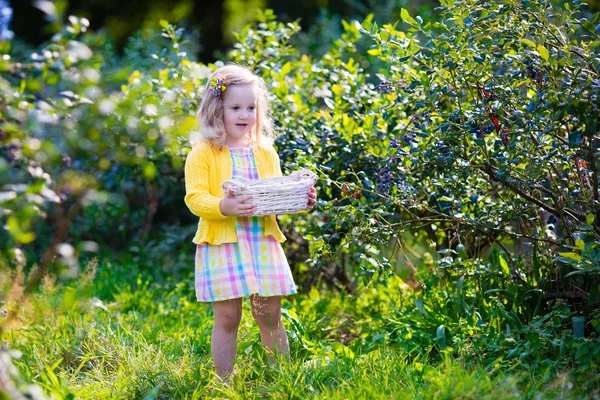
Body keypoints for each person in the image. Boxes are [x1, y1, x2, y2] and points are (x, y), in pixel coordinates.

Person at [184, 64, 317, 378]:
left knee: (269, 315)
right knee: (228, 318)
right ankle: (224, 382)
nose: (244, 115)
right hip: (222, 243)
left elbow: (271, 195)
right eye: (235, 108)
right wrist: (224, 206)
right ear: (217, 110)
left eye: (251, 107)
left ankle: (283, 379)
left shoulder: (265, 153)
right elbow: (195, 199)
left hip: (261, 241)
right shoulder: (203, 153)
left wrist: (299, 199)